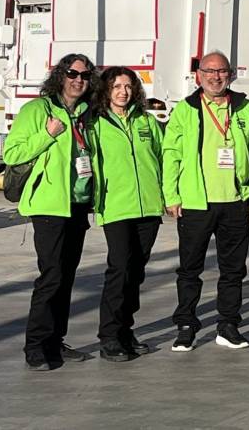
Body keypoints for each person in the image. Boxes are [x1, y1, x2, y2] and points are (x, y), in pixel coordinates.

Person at [163, 50, 249, 352]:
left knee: (233, 270)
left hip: (234, 201)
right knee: (190, 269)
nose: (216, 77)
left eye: (222, 71)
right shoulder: (186, 109)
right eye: (209, 71)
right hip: (196, 203)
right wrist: (172, 195)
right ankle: (186, 325)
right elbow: (171, 153)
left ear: (230, 75)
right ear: (198, 76)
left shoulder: (243, 108)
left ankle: (228, 325)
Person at [4, 54, 97, 370]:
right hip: (48, 206)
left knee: (66, 277)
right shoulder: (37, 110)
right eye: (72, 73)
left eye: (85, 75)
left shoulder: (86, 114)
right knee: (52, 275)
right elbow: (12, 153)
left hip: (77, 205)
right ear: (60, 76)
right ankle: (36, 346)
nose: (78, 80)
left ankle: (56, 340)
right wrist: (48, 133)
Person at [89, 66, 165, 363]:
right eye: (117, 86)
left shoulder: (146, 122)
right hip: (117, 207)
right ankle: (109, 336)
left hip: (148, 207)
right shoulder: (96, 125)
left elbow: (163, 159)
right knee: (119, 269)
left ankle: (125, 330)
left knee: (136, 271)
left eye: (128, 86)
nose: (123, 92)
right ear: (106, 90)